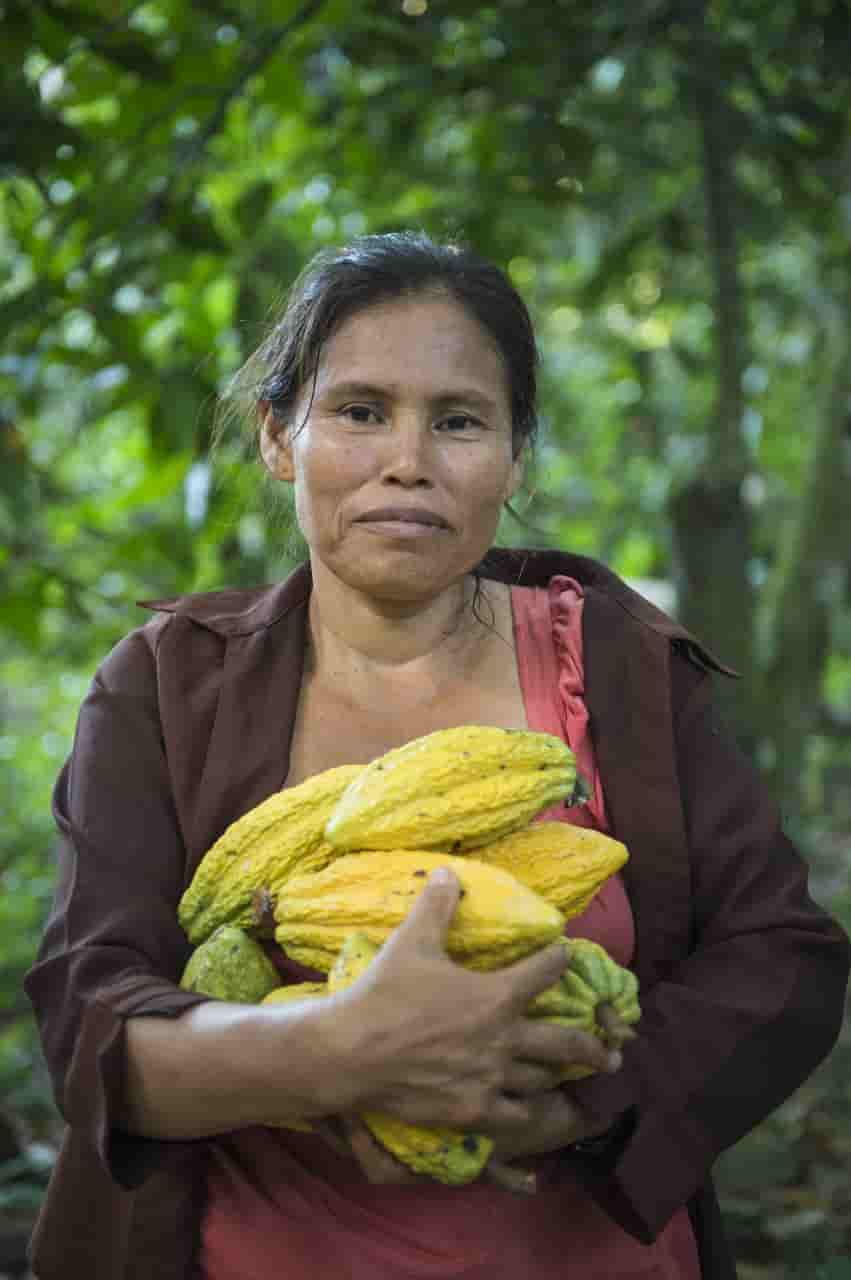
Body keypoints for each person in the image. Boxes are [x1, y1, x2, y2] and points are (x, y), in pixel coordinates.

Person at [25, 231, 849, 1280]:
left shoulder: (617, 671)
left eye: (457, 420)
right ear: (281, 435)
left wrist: (556, 1107)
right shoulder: (166, 685)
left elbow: (781, 958)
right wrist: (338, 1050)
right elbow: (90, 1018)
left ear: (513, 457)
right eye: (360, 410)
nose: (406, 459)